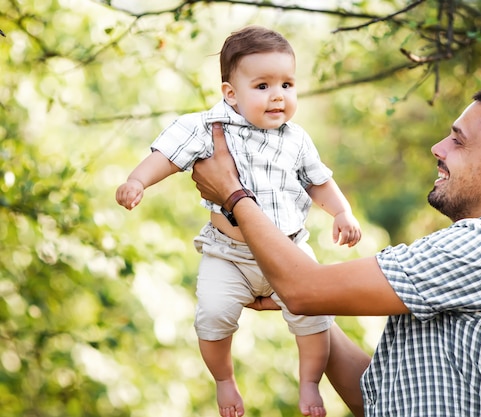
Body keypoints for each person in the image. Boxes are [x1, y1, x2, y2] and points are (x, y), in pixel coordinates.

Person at [191, 86, 481, 417]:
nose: (438, 148)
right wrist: (308, 312)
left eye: (458, 141)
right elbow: (377, 402)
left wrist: (234, 193)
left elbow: (304, 290)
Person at [116, 26, 361, 417]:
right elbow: (169, 152)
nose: (278, 95)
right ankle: (224, 380)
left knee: (315, 318)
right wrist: (137, 180)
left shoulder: (296, 138)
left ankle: (310, 384)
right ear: (231, 93)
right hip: (228, 255)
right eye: (262, 86)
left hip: (291, 250)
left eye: (287, 84)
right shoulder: (209, 127)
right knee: (212, 316)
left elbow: (319, 180)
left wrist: (342, 211)